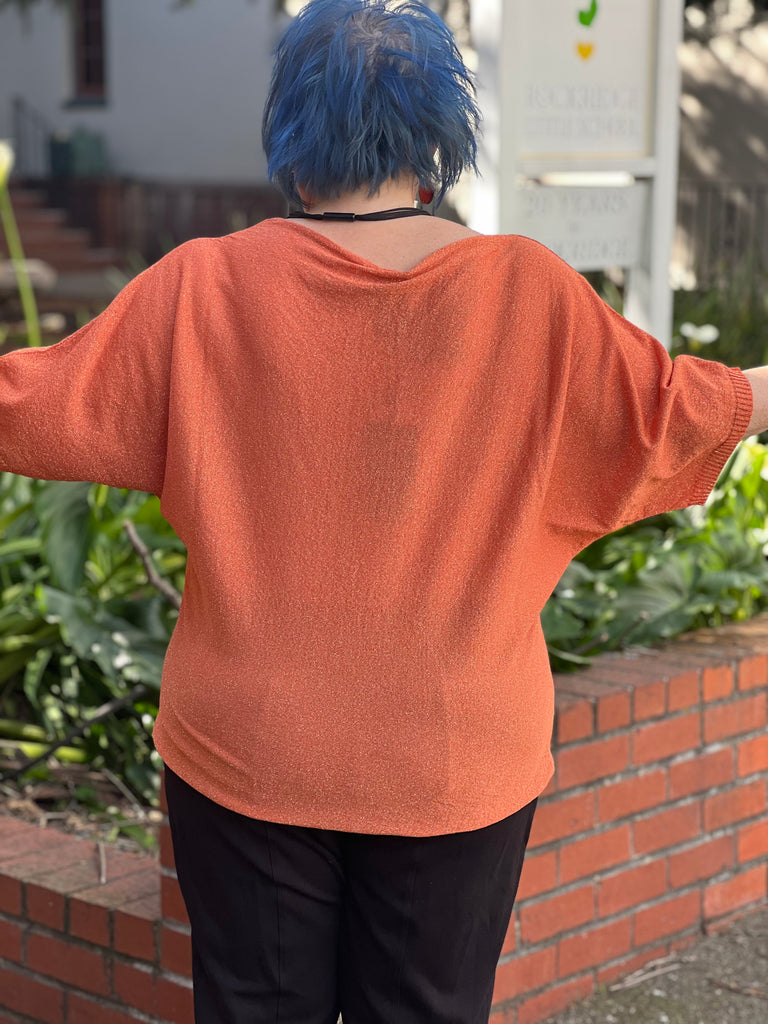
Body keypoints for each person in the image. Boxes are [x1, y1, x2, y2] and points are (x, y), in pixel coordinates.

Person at [1, 0, 767, 1021]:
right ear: (439, 143)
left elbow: (27, 406)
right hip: (455, 753)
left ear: (290, 135)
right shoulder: (528, 291)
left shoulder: (202, 286)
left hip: (248, 746)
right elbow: (687, 409)